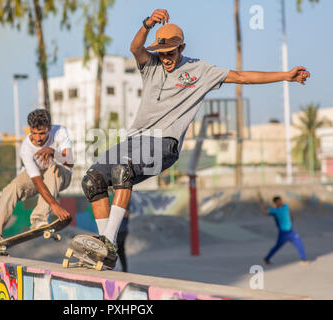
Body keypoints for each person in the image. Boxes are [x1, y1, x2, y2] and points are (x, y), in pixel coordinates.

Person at [78, 8, 311, 269]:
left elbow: (242, 77)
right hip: (135, 139)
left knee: (124, 169)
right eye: (162, 53)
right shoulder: (151, 64)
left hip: (165, 143)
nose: (166, 58)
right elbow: (135, 47)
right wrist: (146, 24)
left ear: (182, 48)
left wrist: (285, 76)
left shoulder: (200, 70)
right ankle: (104, 249)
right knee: (92, 179)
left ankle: (108, 241)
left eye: (171, 53)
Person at [0, 109, 73, 249]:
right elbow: (36, 181)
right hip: (37, 177)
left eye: (42, 134)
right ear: (30, 130)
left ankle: (39, 219)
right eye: (34, 133)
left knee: (52, 170)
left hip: (62, 174)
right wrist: (54, 204)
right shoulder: (26, 149)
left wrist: (53, 152)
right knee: (12, 188)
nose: (38, 138)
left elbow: (69, 161)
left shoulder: (60, 132)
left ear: (49, 128)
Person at [258, 194, 309, 265]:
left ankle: (303, 259)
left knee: (299, 243)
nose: (280, 202)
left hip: (291, 231)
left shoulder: (286, 206)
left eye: (281, 200)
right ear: (275, 203)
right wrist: (261, 204)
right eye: (278, 201)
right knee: (277, 247)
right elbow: (265, 212)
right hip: (283, 233)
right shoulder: (274, 211)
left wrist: (291, 220)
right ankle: (266, 259)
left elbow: (290, 213)